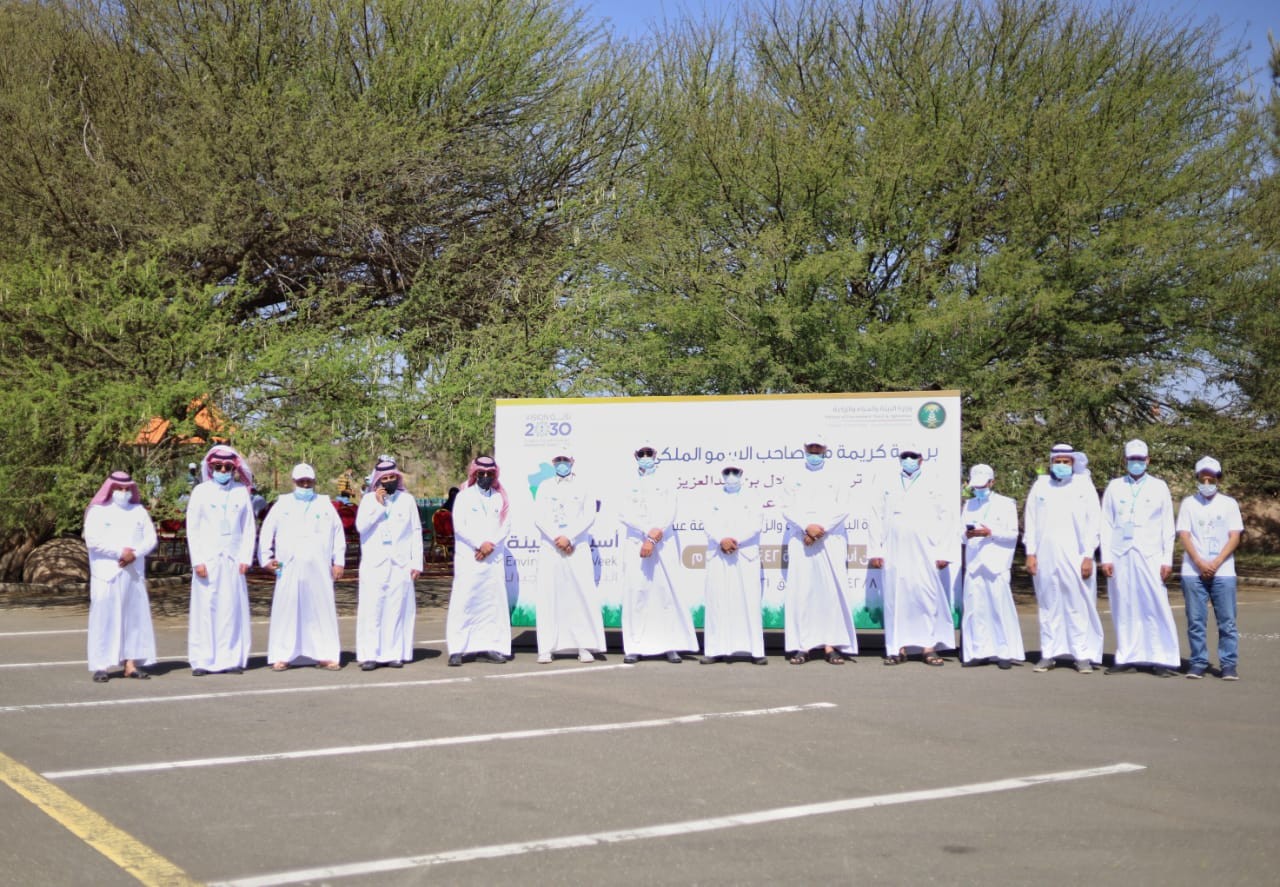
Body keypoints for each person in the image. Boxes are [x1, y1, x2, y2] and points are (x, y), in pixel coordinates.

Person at [869, 443, 954, 667]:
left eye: (913, 456)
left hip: (926, 549)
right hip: (893, 548)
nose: (908, 459)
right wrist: (875, 549)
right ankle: (896, 649)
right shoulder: (886, 482)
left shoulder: (934, 482)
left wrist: (944, 551)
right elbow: (875, 515)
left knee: (925, 595)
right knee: (895, 598)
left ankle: (928, 648)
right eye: (905, 456)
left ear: (921, 459)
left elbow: (947, 517)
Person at [1099, 439, 1178, 677]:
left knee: (1154, 603)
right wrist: (1106, 557)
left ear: (1148, 460)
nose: (1136, 463)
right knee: (1124, 604)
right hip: (1120, 553)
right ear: (1125, 461)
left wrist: (1167, 559)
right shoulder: (1115, 486)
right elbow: (1106, 523)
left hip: (1150, 553)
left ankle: (1161, 658)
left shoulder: (1159, 487)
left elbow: (1167, 526)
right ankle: (1127, 656)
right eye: (1132, 459)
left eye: (1140, 459)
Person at [1023, 444, 1103, 673]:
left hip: (1076, 555)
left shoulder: (1083, 486)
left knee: (1077, 604)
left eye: (1065, 462)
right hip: (1045, 555)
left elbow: (1093, 522)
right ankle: (1048, 653)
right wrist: (1030, 553)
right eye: (1057, 461)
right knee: (1048, 604)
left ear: (1073, 463)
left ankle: (1082, 655)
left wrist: (1088, 555)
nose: (1061, 465)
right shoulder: (1041, 486)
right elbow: (1031, 520)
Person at [258, 463, 345, 671]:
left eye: (308, 481)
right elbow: (267, 532)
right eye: (301, 481)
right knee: (286, 610)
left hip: (319, 567)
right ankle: (282, 655)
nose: (305, 485)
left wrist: (339, 561)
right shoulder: (282, 504)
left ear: (314, 481)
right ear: (294, 482)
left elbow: (338, 533)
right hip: (288, 566)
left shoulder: (324, 504)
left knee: (321, 610)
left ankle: (325, 655)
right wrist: (266, 559)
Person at [617, 443, 698, 664]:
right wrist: (646, 532)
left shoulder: (667, 480)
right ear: (635, 456)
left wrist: (654, 535)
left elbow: (670, 510)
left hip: (663, 542)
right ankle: (635, 646)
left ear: (655, 455)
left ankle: (670, 645)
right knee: (637, 591)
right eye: (641, 453)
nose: (645, 456)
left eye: (649, 453)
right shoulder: (627, 482)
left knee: (665, 592)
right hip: (636, 542)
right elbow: (623, 513)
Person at [780, 437, 857, 665]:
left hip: (830, 540)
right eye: (811, 448)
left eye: (818, 449)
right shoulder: (792, 477)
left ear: (825, 450)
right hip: (801, 540)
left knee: (830, 593)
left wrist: (819, 530)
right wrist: (807, 527)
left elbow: (844, 507)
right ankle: (803, 646)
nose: (814, 452)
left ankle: (830, 646)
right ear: (804, 449)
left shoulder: (838, 476)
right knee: (803, 592)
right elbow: (786, 508)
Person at [186, 445, 256, 675]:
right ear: (211, 467)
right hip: (208, 560)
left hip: (233, 560)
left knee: (231, 609)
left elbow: (248, 527)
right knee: (206, 609)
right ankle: (203, 660)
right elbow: (193, 528)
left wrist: (246, 557)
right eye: (219, 466)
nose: (223, 470)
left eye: (228, 467)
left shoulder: (240, 492)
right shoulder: (201, 492)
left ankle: (230, 659)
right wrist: (197, 560)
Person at [83, 471, 158, 682]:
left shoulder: (139, 511)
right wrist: (119, 553)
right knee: (104, 618)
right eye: (119, 488)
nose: (123, 492)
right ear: (110, 489)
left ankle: (130, 664)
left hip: (133, 573)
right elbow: (92, 541)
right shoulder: (98, 511)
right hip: (106, 573)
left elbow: (150, 539)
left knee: (133, 619)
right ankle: (101, 665)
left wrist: (135, 553)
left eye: (127, 489)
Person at [531, 454, 604, 664]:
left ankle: (584, 646)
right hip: (551, 546)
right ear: (553, 463)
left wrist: (569, 537)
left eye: (565, 460)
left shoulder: (584, 486)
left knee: (580, 594)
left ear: (572, 462)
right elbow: (539, 517)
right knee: (548, 595)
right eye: (558, 460)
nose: (562, 464)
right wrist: (557, 538)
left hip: (576, 547)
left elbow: (589, 515)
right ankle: (546, 648)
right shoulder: (544, 486)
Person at [1176, 456, 1244, 680]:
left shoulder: (1229, 504)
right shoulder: (1189, 503)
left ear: (1218, 479)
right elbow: (1184, 535)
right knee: (1196, 621)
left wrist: (1216, 562)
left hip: (1223, 571)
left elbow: (1234, 536)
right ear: (1197, 479)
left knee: (1227, 621)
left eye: (1211, 479)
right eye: (1202, 479)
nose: (1206, 484)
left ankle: (1228, 664)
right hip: (1193, 571)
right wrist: (1199, 561)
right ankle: (1198, 662)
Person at [355, 457, 423, 670]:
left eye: (392, 477)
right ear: (378, 480)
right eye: (385, 478)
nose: (389, 481)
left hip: (400, 563)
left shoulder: (407, 500)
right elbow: (361, 527)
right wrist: (378, 505)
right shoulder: (368, 501)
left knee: (396, 608)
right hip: (374, 563)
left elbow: (415, 531)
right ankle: (370, 655)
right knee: (372, 608)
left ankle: (394, 653)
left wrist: (416, 562)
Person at [447, 456, 514, 666]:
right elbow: (459, 526)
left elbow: (506, 526)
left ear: (495, 475)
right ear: (475, 474)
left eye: (489, 474)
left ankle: (491, 646)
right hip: (469, 557)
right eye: (481, 473)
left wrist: (489, 545)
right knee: (464, 601)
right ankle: (458, 649)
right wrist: (479, 544)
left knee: (492, 602)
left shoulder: (500, 498)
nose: (485, 477)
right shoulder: (464, 496)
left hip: (492, 558)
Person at [959, 464, 1024, 668]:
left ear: (992, 482)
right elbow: (961, 534)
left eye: (982, 485)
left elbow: (1012, 534)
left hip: (996, 564)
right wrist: (968, 533)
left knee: (999, 608)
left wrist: (990, 532)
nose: (979, 489)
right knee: (976, 609)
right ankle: (979, 651)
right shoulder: (969, 505)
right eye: (976, 486)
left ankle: (1005, 652)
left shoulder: (1006, 503)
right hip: (974, 563)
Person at [700, 466, 766, 664]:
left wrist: (735, 540)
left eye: (735, 472)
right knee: (717, 601)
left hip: (745, 553)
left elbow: (756, 524)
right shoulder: (712, 498)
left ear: (741, 474)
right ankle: (715, 650)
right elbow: (707, 523)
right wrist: (722, 539)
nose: (731, 476)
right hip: (718, 553)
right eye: (727, 472)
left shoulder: (753, 496)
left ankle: (755, 651)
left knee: (748, 601)